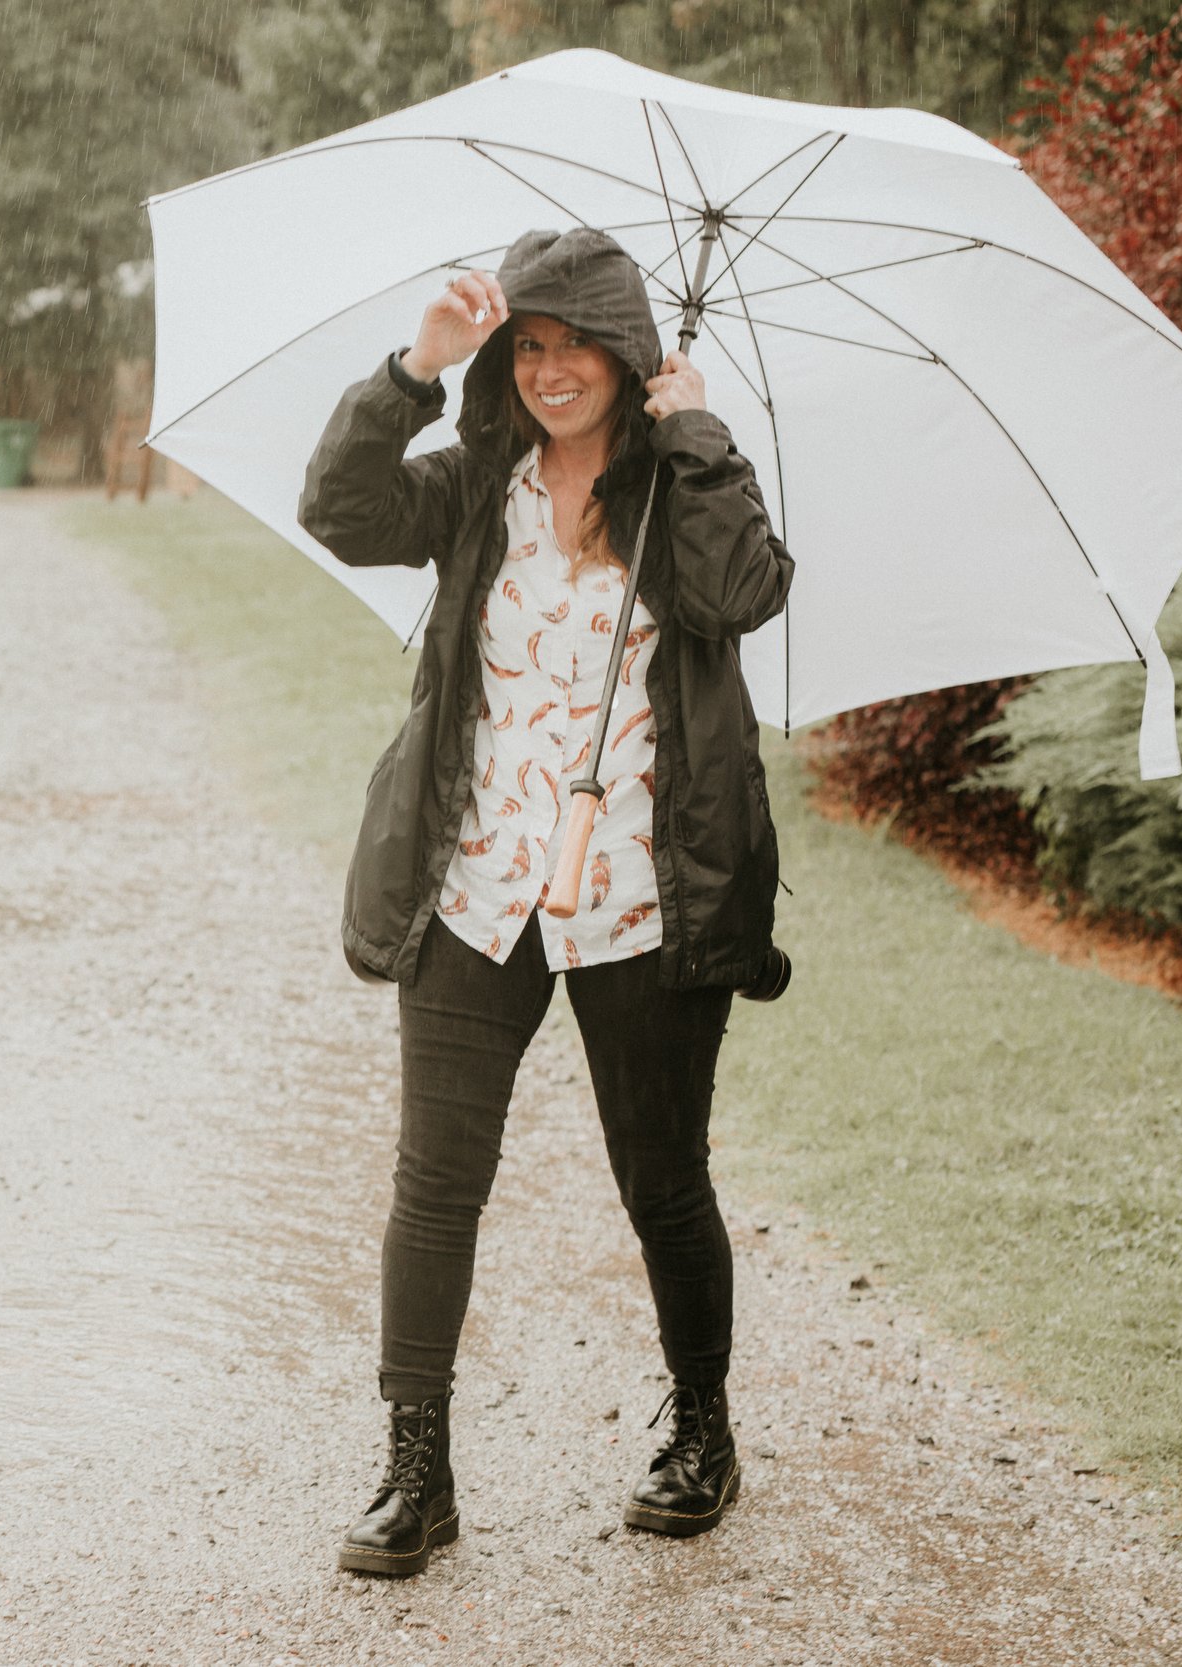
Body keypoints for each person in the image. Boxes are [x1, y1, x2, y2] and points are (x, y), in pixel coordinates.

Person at [297, 228, 792, 1578]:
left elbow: (750, 586)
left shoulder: (678, 481)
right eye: (532, 343)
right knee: (434, 1183)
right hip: (478, 885)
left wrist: (698, 438)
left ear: (630, 357)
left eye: (580, 343)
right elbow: (338, 510)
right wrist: (416, 367)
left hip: (644, 897)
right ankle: (418, 1471)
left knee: (661, 1177)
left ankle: (703, 1433)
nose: (554, 368)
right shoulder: (474, 484)